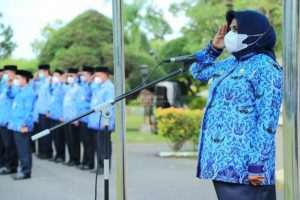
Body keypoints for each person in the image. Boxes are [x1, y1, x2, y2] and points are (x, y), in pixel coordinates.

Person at [190, 10, 282, 199]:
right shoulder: (230, 63)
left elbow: (267, 119)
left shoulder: (265, 66)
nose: (230, 35)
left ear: (254, 32)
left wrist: (258, 164)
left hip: (246, 168)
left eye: (237, 29)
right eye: (230, 29)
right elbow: (198, 71)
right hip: (222, 165)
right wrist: (213, 49)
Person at [7, 70, 35, 180]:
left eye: (17, 78)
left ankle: (26, 171)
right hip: (15, 124)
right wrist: (9, 86)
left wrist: (25, 124)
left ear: (24, 79)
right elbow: (10, 95)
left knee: (24, 149)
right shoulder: (19, 90)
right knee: (19, 148)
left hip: (22, 125)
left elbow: (29, 110)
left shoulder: (29, 92)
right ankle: (22, 169)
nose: (16, 80)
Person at [88, 67, 115, 174]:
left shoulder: (109, 87)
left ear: (105, 75)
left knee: (104, 146)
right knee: (98, 146)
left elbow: (110, 105)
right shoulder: (98, 86)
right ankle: (100, 165)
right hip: (95, 122)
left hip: (104, 122)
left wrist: (106, 121)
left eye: (98, 75)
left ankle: (105, 168)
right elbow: (90, 89)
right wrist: (92, 78)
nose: (97, 78)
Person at [0, 65, 19, 175]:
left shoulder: (15, 86)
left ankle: (11, 166)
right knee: (2, 144)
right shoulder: (3, 85)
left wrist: (11, 85)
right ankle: (3, 163)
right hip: (2, 119)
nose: (4, 75)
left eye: (7, 73)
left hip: (9, 120)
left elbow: (13, 96)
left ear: (12, 74)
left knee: (10, 145)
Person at [33, 64, 52, 159]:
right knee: (40, 132)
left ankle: (47, 152)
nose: (39, 74)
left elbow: (50, 98)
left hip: (45, 111)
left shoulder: (50, 81)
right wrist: (35, 78)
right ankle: (41, 151)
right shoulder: (41, 82)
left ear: (46, 71)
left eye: (40, 72)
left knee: (45, 133)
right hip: (39, 111)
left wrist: (49, 110)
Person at [63, 68, 81, 166]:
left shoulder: (78, 88)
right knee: (69, 139)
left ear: (76, 77)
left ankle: (76, 159)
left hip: (74, 118)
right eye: (68, 76)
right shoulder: (68, 88)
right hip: (66, 118)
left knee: (75, 140)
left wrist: (77, 118)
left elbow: (78, 105)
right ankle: (71, 158)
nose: (69, 78)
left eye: (72, 76)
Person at [77, 66, 94, 170]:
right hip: (82, 118)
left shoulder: (92, 86)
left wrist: (91, 80)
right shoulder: (83, 85)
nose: (82, 76)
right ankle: (85, 161)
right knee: (84, 142)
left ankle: (90, 163)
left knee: (89, 142)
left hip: (88, 118)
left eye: (84, 74)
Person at [48, 69, 66, 163]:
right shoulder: (54, 86)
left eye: (56, 76)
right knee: (55, 137)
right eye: (53, 76)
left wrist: (63, 115)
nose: (54, 78)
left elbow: (64, 103)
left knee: (60, 137)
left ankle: (61, 155)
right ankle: (57, 154)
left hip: (60, 116)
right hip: (53, 115)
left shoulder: (63, 87)